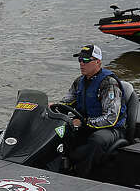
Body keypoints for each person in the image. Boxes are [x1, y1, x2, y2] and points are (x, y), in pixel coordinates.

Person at [50, 44, 127, 177]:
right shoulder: (79, 82)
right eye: (79, 60)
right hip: (86, 124)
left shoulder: (109, 83)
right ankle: (55, 168)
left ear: (98, 62)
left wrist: (84, 122)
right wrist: (53, 107)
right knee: (59, 132)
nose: (81, 64)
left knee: (96, 140)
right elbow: (67, 102)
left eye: (85, 60)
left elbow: (111, 118)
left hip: (111, 129)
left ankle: (83, 175)